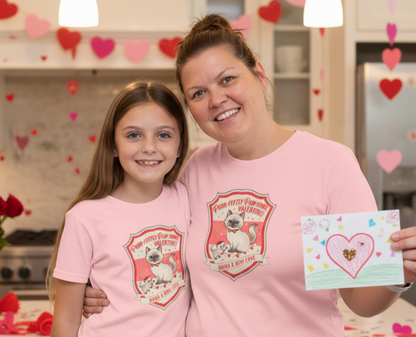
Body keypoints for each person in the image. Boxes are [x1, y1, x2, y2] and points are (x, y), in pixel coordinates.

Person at [82, 14, 416, 336]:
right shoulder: (195, 170)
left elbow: (359, 300)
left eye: (227, 79)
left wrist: (399, 274)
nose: (216, 100)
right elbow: (145, 243)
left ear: (258, 74)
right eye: (198, 93)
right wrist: (93, 286)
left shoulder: (329, 164)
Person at [47, 81, 191, 337]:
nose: (149, 146)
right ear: (113, 145)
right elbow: (66, 321)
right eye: (133, 135)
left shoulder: (189, 199)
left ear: (180, 146)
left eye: (164, 135)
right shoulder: (84, 218)